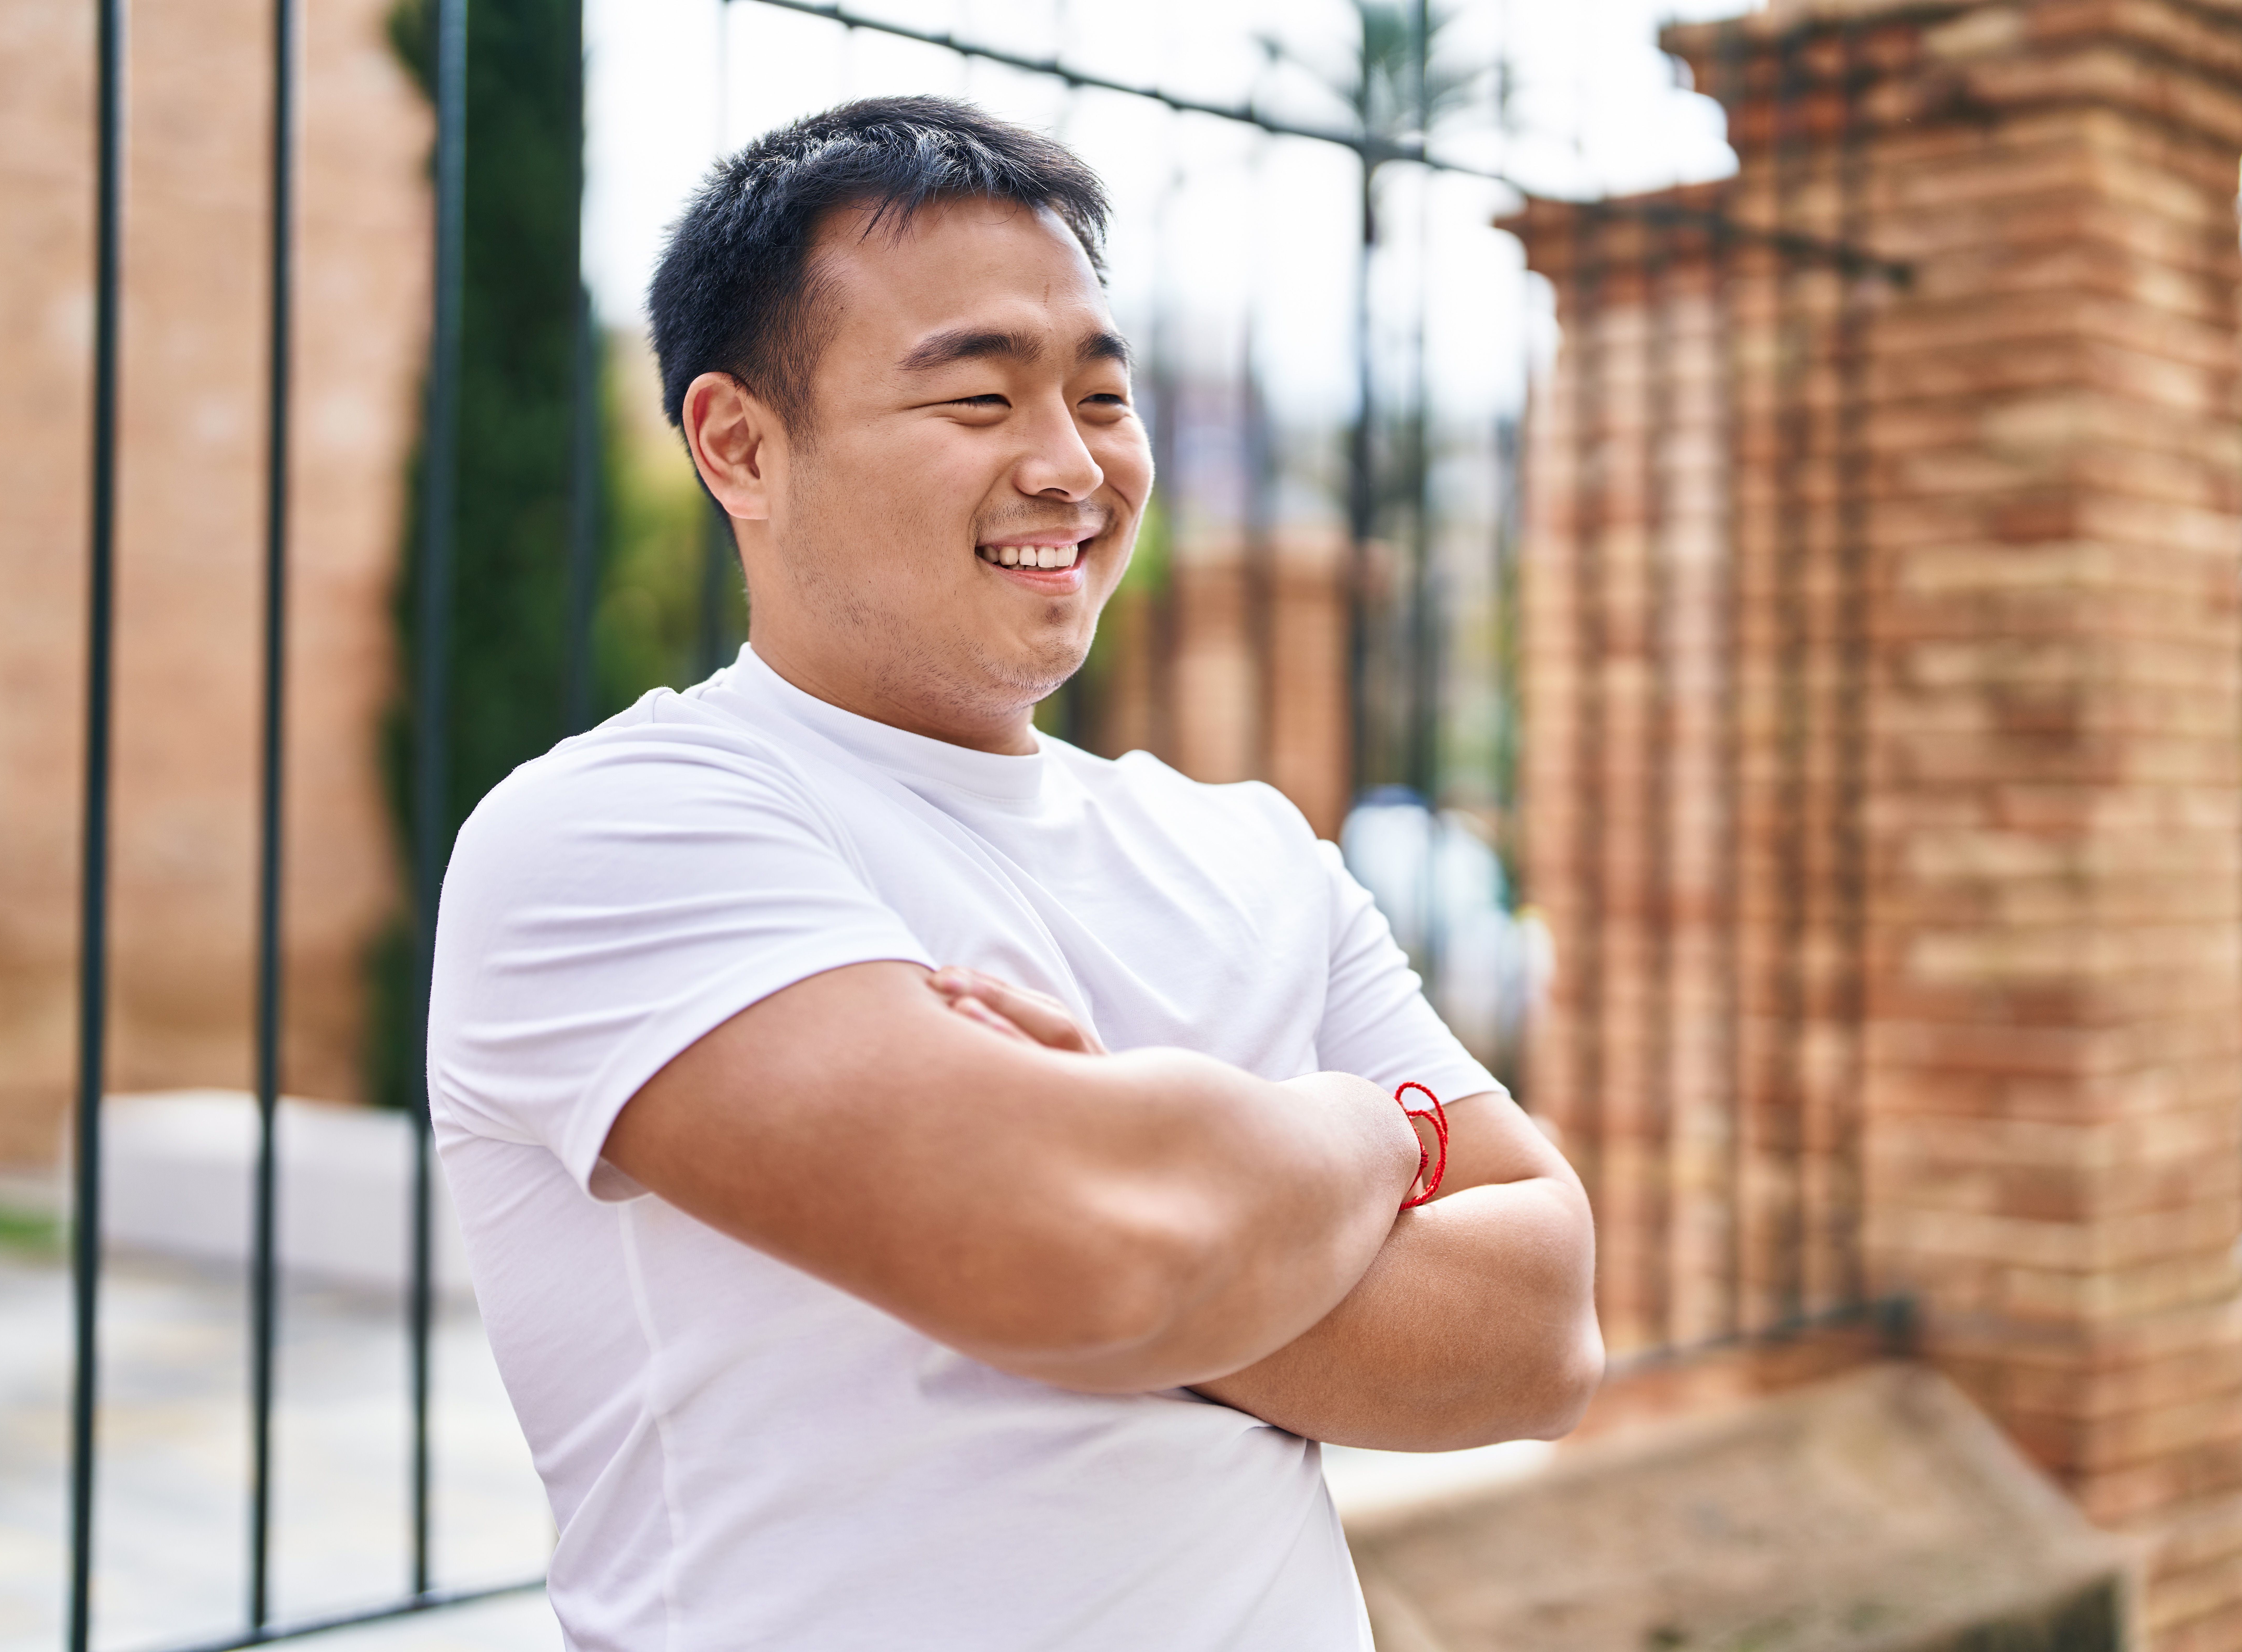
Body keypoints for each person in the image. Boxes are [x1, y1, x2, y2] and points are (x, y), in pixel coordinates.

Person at [428, 95, 1601, 1652]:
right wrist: (1360, 1137)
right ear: (738, 445)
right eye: (979, 399)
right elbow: (1082, 1254)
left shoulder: (1251, 849)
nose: (1071, 467)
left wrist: (1176, 1199)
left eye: (1104, 398)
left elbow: (1542, 1331)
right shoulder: (614, 833)